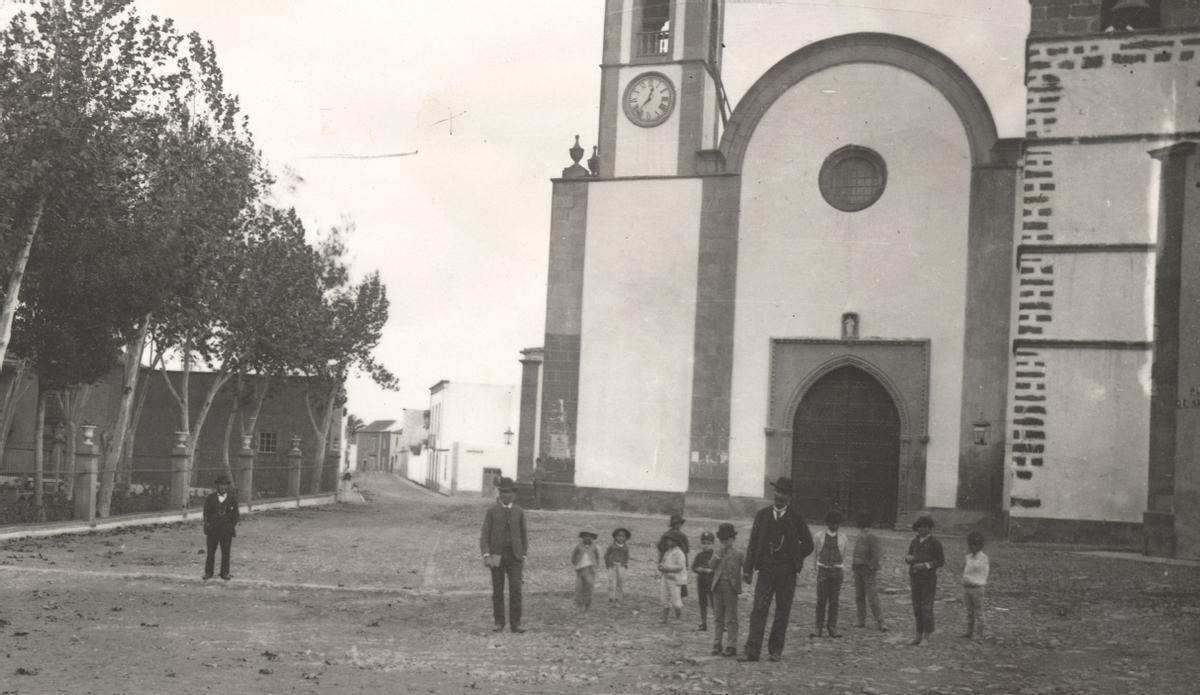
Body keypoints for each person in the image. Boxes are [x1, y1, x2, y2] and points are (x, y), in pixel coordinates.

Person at [739, 476, 814, 662]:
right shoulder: (762, 515)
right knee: (759, 608)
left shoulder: (796, 518)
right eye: (778, 492)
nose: (780, 496)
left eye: (785, 494)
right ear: (774, 492)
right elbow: (753, 544)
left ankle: (775, 650)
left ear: (790, 497)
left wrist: (794, 558)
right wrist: (747, 570)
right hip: (765, 571)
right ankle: (752, 650)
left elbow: (809, 544)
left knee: (782, 611)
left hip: (787, 574)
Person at [480, 477, 528, 633]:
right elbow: (485, 535)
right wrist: (486, 554)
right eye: (502, 492)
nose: (504, 495)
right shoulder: (492, 512)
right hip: (496, 555)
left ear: (513, 494)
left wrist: (523, 554)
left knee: (516, 590)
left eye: (507, 492)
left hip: (515, 556)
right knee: (497, 590)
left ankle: (516, 623)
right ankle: (499, 622)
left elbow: (524, 535)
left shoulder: (519, 512)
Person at [905, 514, 944, 645]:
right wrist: (908, 559)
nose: (923, 529)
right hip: (915, 578)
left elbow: (940, 561)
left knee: (926, 607)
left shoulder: (935, 542)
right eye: (921, 527)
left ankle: (927, 636)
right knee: (917, 607)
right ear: (917, 528)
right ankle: (918, 634)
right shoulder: (914, 541)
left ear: (930, 528)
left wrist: (925, 565)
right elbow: (909, 555)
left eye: (926, 527)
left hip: (928, 579)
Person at [811, 509, 848, 638]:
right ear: (827, 523)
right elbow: (815, 553)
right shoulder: (819, 536)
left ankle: (832, 626)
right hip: (823, 570)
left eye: (837, 524)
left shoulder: (843, 538)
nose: (834, 526)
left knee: (834, 601)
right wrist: (815, 568)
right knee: (821, 600)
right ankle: (818, 627)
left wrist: (840, 567)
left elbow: (843, 554)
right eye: (832, 523)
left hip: (837, 572)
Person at [709, 522, 744, 657]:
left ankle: (731, 645)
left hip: (730, 587)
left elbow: (747, 566)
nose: (724, 542)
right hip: (717, 587)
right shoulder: (717, 552)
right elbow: (711, 566)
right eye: (722, 540)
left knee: (731, 617)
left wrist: (746, 575)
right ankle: (717, 643)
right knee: (718, 617)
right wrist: (717, 555)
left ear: (733, 539)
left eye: (727, 539)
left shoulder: (738, 554)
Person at [851, 510, 887, 632]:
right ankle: (861, 619)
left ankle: (880, 621)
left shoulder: (871, 536)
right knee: (859, 595)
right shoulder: (859, 535)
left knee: (872, 596)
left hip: (867, 569)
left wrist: (872, 567)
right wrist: (854, 565)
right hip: (858, 568)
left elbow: (876, 553)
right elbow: (856, 552)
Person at [202, 473, 240, 581]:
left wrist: (230, 526)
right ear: (217, 485)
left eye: (224, 484)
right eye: (220, 484)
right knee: (211, 552)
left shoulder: (232, 499)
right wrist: (207, 524)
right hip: (213, 530)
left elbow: (236, 515)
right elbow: (206, 513)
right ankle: (208, 573)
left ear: (227, 486)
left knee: (226, 552)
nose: (222, 487)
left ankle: (225, 573)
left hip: (226, 530)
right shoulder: (210, 498)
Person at [961, 531, 989, 640]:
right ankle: (969, 631)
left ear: (980, 545)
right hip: (967, 587)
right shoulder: (969, 557)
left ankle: (980, 633)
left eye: (975, 544)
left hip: (977, 588)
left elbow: (977, 569)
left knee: (979, 611)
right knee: (969, 611)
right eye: (971, 544)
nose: (972, 547)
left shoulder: (983, 558)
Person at [657, 535, 687, 623]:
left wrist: (667, 567)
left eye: (670, 540)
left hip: (675, 578)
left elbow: (680, 567)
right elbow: (664, 562)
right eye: (667, 541)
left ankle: (679, 618)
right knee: (664, 597)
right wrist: (661, 566)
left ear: (675, 542)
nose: (668, 542)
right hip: (666, 577)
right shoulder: (667, 552)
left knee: (676, 598)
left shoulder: (679, 553)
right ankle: (664, 618)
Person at [572, 525, 601, 614]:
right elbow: (573, 556)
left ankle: (587, 606)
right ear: (582, 536)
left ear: (593, 537)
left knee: (589, 588)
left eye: (590, 536)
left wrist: (595, 566)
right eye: (585, 536)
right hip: (580, 569)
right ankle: (579, 605)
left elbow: (597, 557)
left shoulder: (594, 547)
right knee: (579, 588)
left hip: (590, 570)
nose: (588, 538)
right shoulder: (578, 546)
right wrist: (576, 564)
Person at [692, 531, 716, 631]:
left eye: (708, 543)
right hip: (701, 582)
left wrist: (710, 570)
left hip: (712, 582)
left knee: (715, 603)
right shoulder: (699, 555)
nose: (706, 546)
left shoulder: (715, 556)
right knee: (702, 603)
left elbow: (719, 569)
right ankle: (703, 623)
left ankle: (720, 623)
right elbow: (694, 567)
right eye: (704, 543)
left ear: (713, 544)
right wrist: (700, 569)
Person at [605, 527, 631, 604]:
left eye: (623, 536)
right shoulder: (611, 546)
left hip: (621, 566)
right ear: (615, 537)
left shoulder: (626, 548)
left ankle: (618, 598)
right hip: (612, 565)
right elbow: (606, 555)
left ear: (626, 538)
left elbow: (626, 556)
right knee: (611, 581)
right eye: (619, 536)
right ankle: (611, 597)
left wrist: (625, 563)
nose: (621, 538)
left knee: (620, 582)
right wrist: (607, 563)